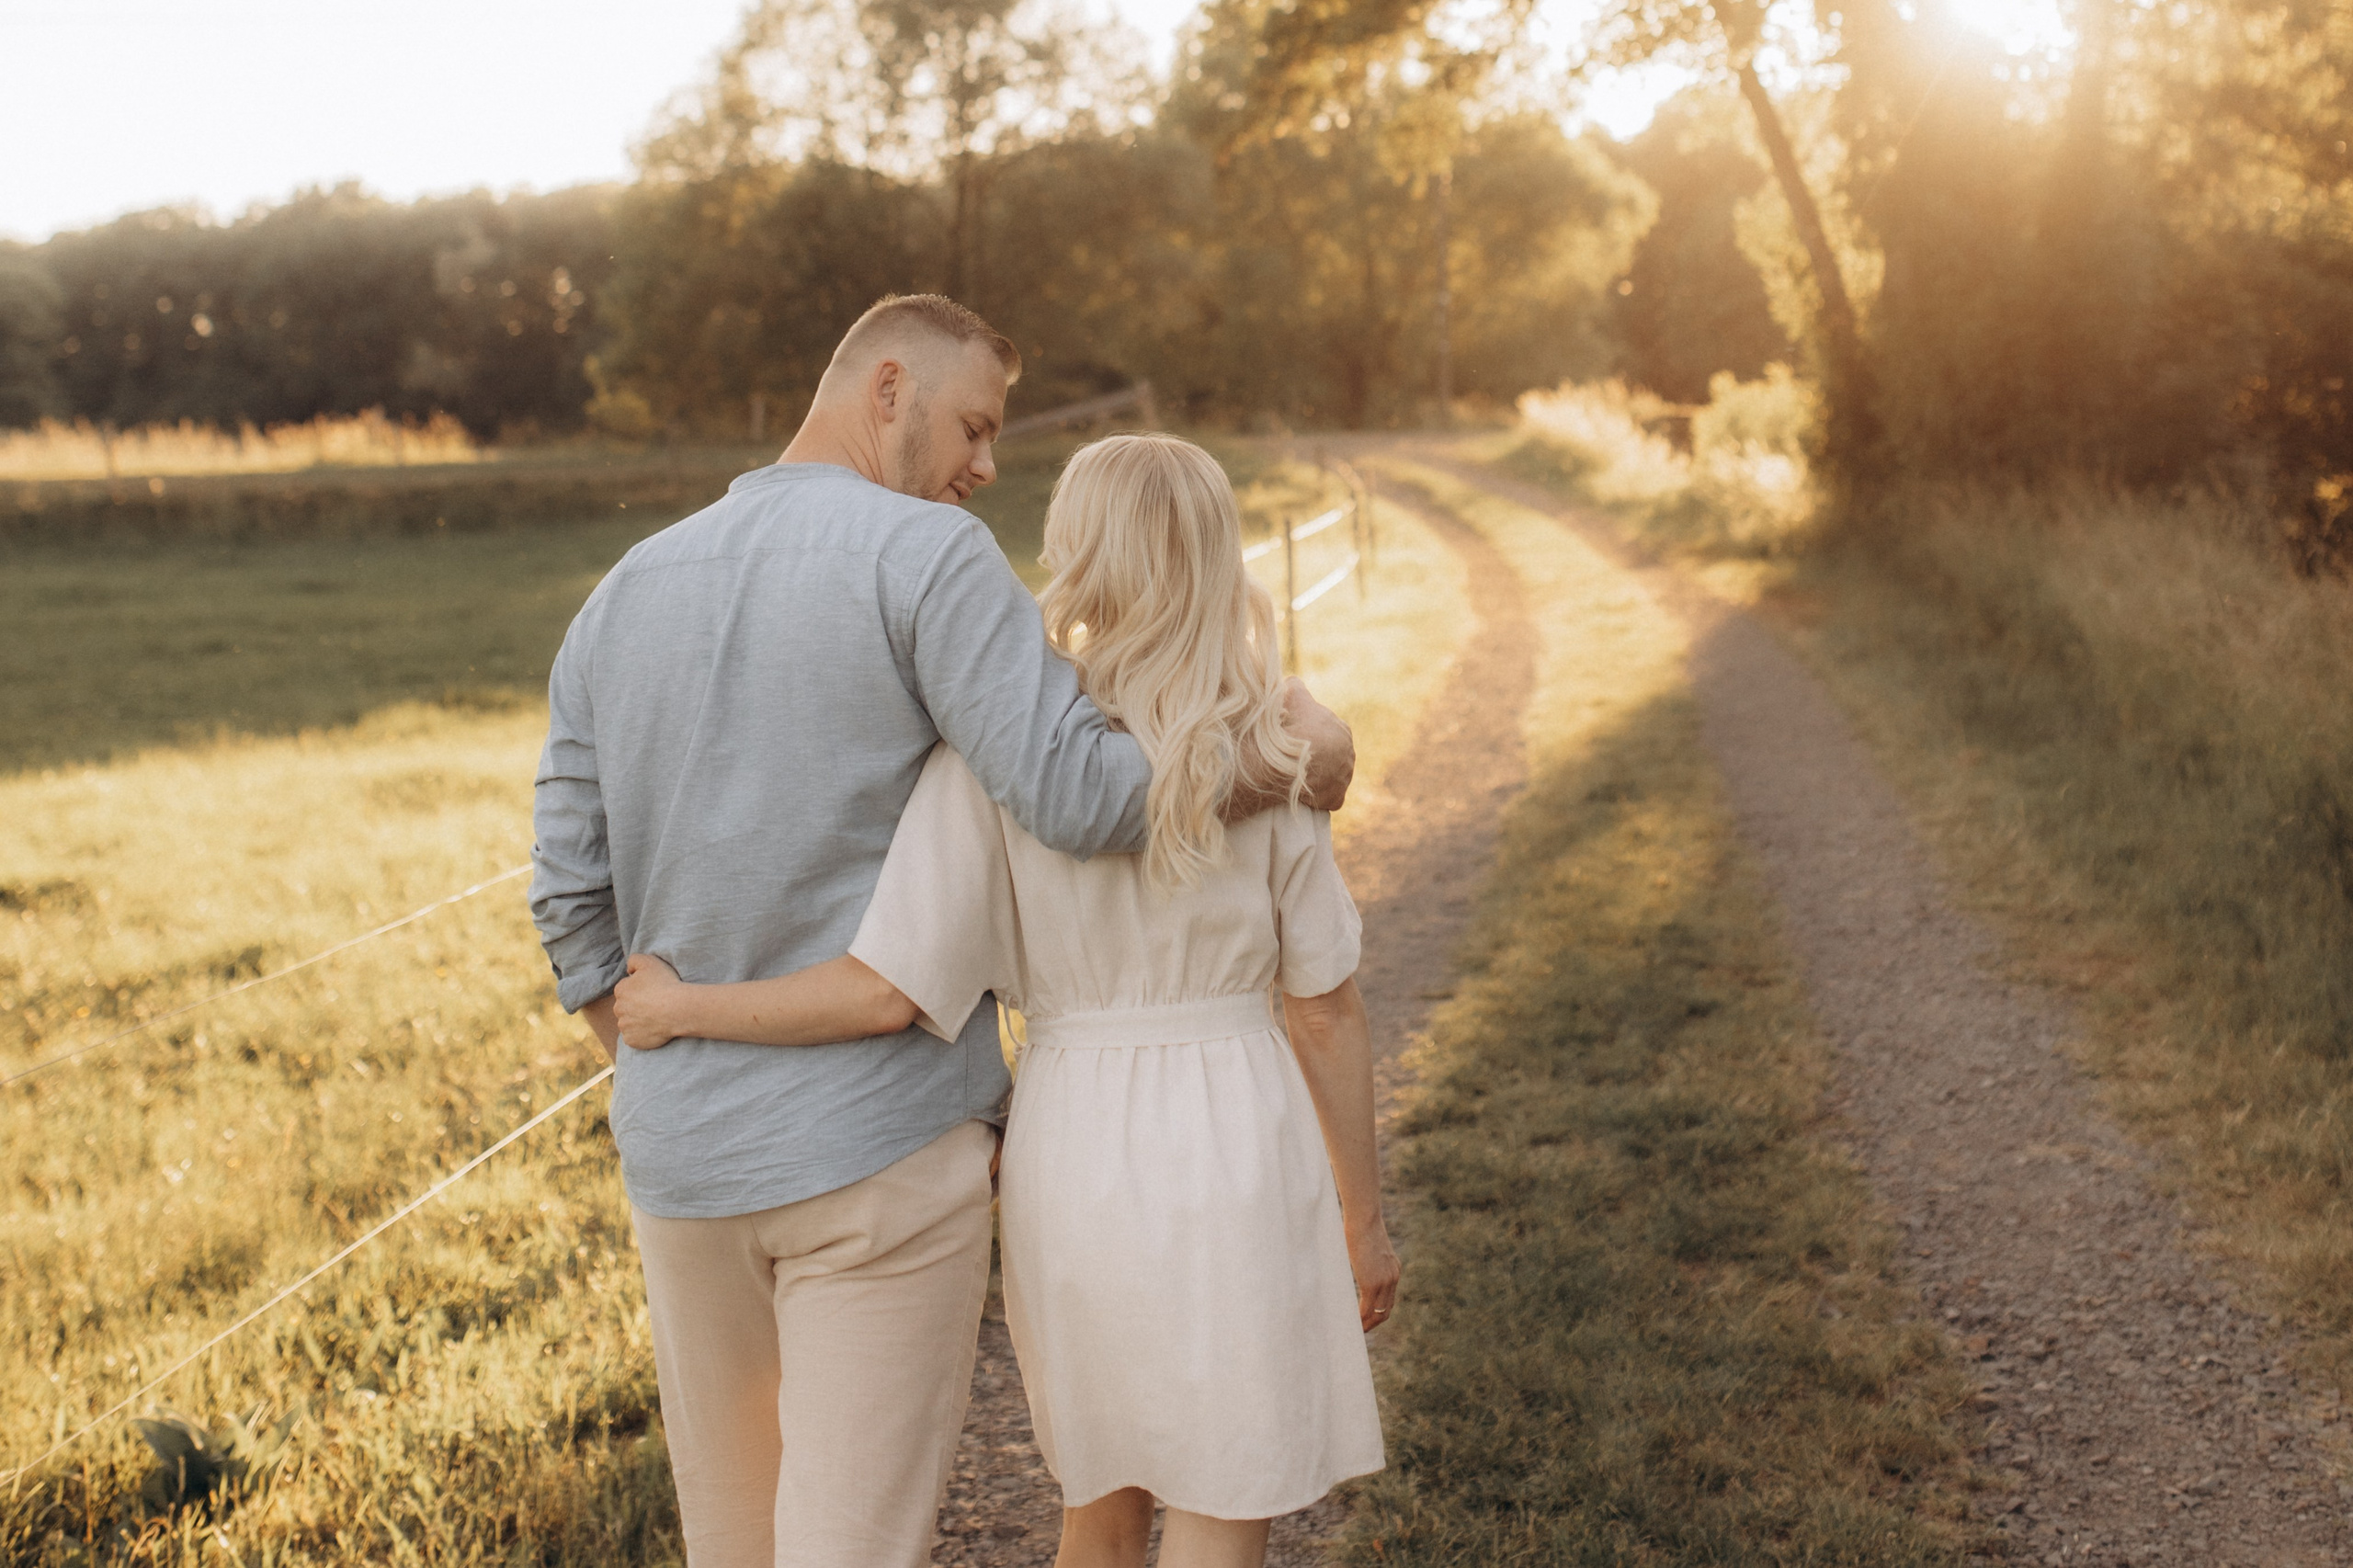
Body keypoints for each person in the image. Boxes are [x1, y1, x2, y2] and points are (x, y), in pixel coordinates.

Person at [528, 298, 1356, 1568]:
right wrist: (1294, 754)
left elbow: (567, 901)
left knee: (734, 1544)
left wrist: (656, 1053)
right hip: (877, 1153)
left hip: (683, 1160)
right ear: (888, 388)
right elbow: (1080, 792)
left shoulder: (624, 588)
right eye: (974, 427)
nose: (982, 467)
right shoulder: (928, 556)